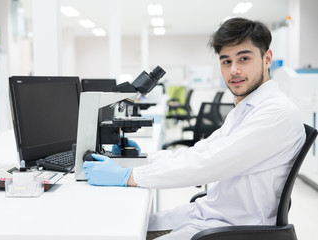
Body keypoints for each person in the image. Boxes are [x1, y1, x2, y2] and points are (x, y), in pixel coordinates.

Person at [83, 17, 305, 239]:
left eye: (244, 58)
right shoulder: (246, 109)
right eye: (226, 61)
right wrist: (143, 159)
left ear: (267, 58)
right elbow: (200, 152)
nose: (234, 70)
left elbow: (206, 164)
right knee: (123, 226)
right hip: (211, 216)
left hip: (234, 229)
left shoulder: (276, 114)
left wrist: (129, 175)